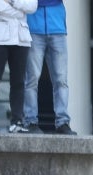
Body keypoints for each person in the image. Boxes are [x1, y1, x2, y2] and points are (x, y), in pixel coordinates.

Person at [0, 0, 38, 133]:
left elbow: (32, 6)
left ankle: (17, 121)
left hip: (20, 38)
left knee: (18, 82)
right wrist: (19, 11)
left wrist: (12, 1)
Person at [23, 0, 74, 133]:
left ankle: (62, 122)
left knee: (61, 80)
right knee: (32, 80)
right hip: (34, 28)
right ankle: (30, 121)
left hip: (57, 28)